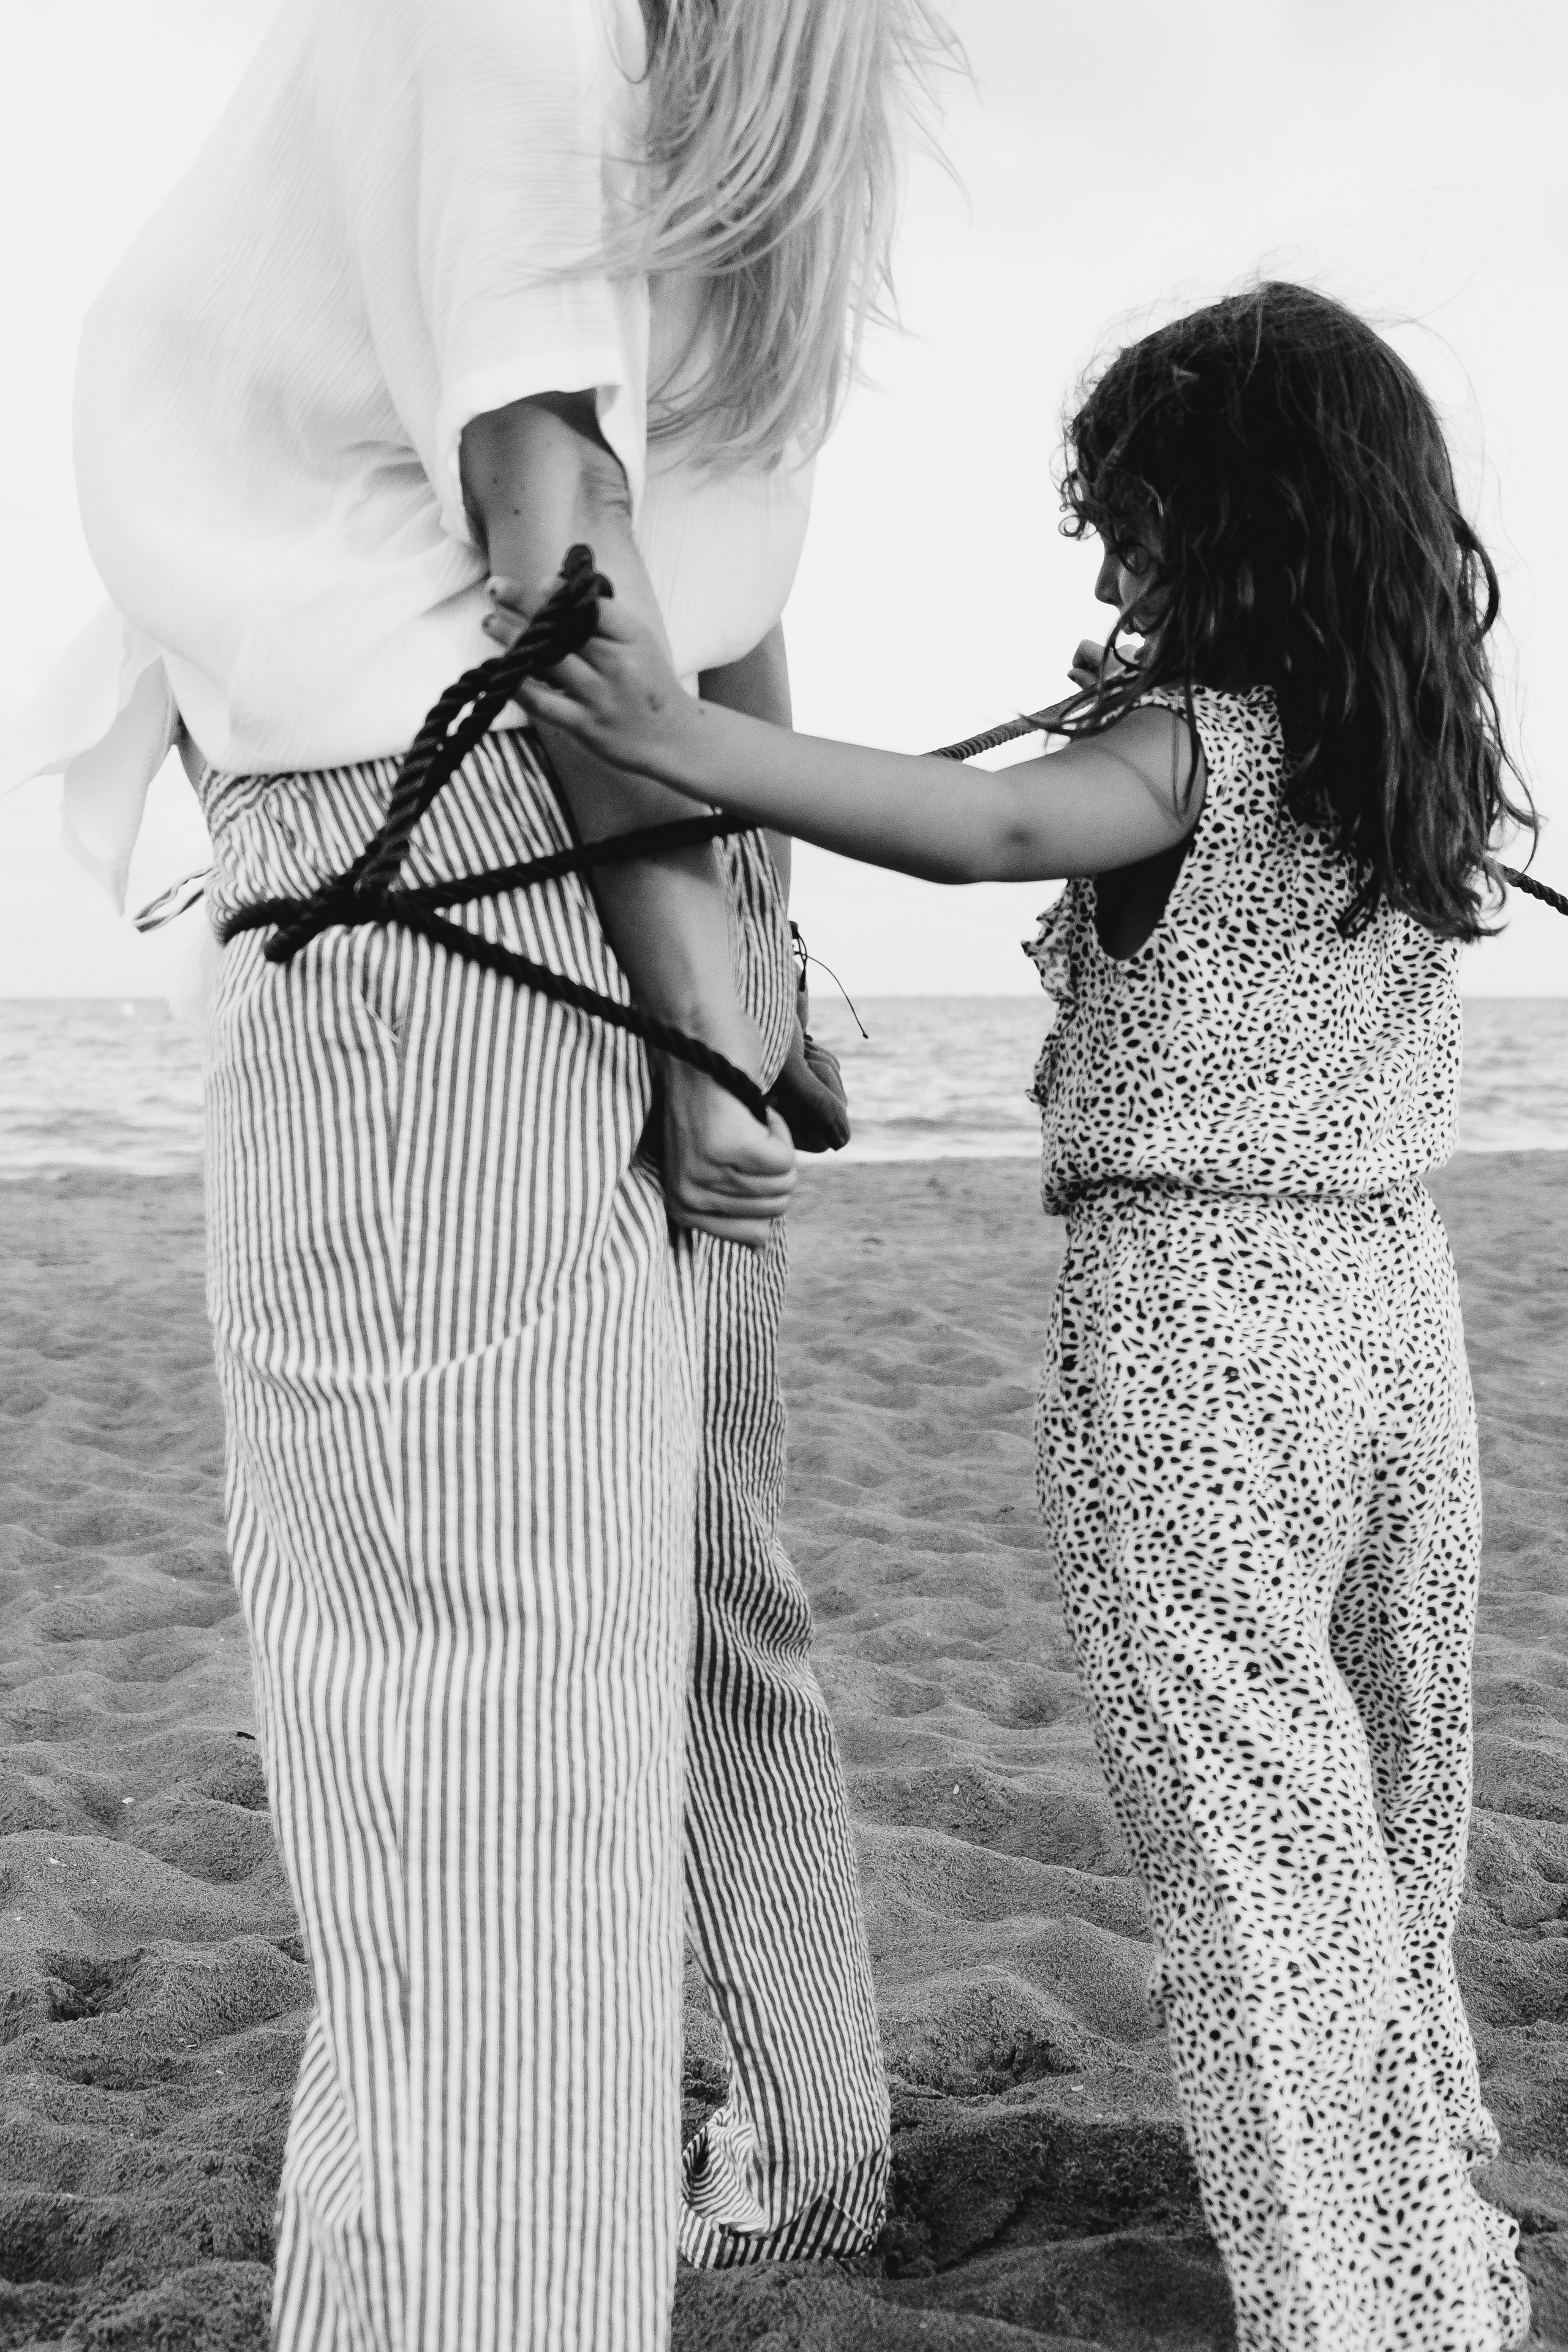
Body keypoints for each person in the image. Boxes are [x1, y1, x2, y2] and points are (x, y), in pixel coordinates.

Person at [13, 0, 957, 2343]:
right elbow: (708, 596)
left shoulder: (499, 23)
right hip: (635, 860)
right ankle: (809, 2141)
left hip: (455, 872)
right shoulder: (737, 111)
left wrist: (696, 1006)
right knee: (656, 1629)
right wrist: (746, 944)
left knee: (470, 1770)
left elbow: (559, 544)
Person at [513, 279, 1537, 2351]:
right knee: (1384, 1805)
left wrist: (672, 729)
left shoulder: (1186, 750)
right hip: (1394, 1320)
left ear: (1233, 526)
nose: (1108, 561)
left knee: (1255, 1848)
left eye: (1134, 520)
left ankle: (1367, 2306)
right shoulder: (1411, 751)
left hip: (1196, 1329)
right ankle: (1434, 2210)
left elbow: (988, 830)